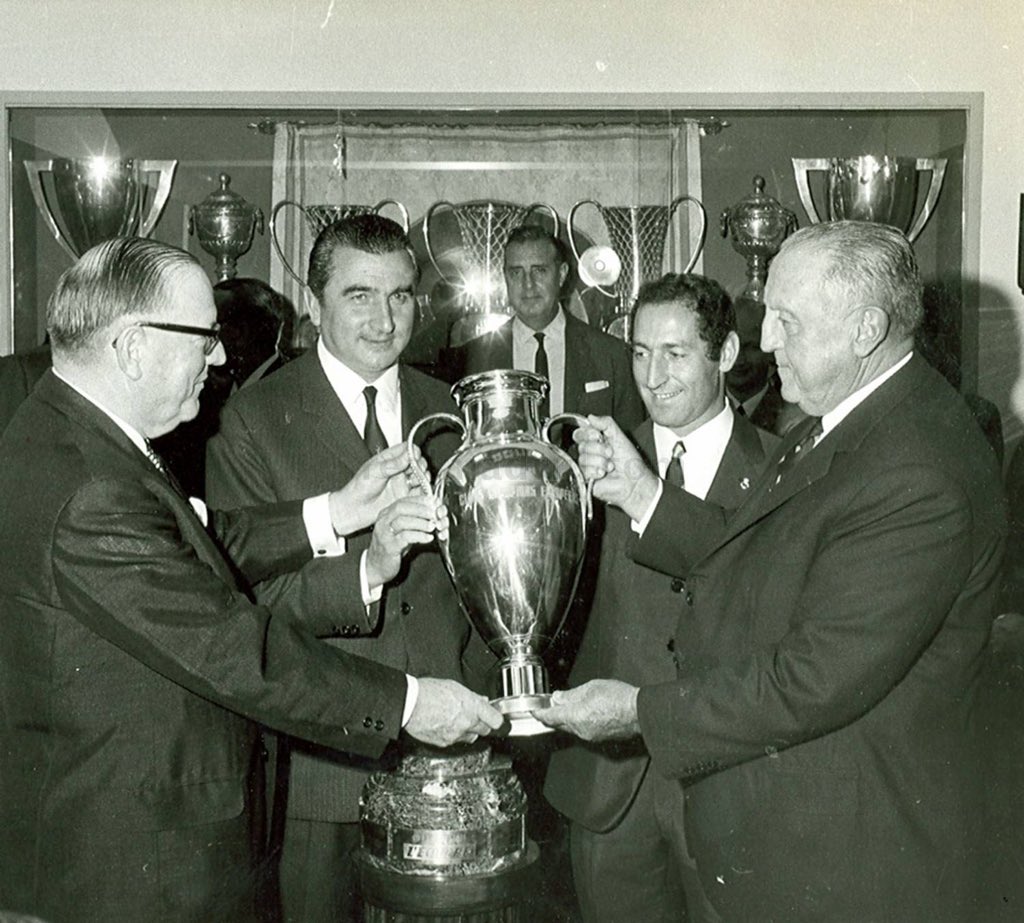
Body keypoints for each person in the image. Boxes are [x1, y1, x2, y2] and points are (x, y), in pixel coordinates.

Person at [0, 237, 502, 923]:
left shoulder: (73, 435)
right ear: (134, 347)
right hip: (131, 864)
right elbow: (234, 649)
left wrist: (336, 510)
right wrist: (408, 703)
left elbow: (201, 536)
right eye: (203, 338)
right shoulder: (92, 487)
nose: (218, 358)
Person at [535, 221, 1007, 922]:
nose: (765, 341)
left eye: (788, 320)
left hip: (854, 855)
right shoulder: (847, 420)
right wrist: (643, 496)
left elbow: (811, 678)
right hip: (805, 828)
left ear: (866, 329)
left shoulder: (916, 469)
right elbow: (762, 555)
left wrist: (636, 711)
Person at [205, 214, 479, 923]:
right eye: (360, 295)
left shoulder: (450, 411)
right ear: (315, 300)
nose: (385, 320)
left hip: (446, 755)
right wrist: (369, 569)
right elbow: (249, 603)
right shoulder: (252, 420)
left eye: (401, 295)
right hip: (322, 770)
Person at [545, 274, 778, 923]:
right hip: (609, 785)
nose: (653, 377)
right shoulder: (586, 468)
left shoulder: (782, 469)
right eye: (641, 353)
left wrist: (647, 497)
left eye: (675, 353)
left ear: (725, 353)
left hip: (730, 783)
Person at [438, 224, 644, 432]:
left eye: (539, 271)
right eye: (516, 272)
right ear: (505, 278)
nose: (528, 284)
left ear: (561, 275)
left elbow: (633, 438)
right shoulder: (475, 358)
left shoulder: (611, 355)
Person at [725, 294, 802, 436]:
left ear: (769, 351)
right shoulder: (701, 411)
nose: (739, 359)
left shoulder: (792, 420)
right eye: (731, 347)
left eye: (750, 347)